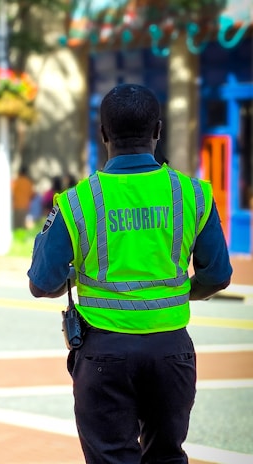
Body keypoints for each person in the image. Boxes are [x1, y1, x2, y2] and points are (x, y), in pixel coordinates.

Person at [28, 83, 232, 464]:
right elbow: (217, 275)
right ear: (158, 130)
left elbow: (41, 284)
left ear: (102, 134)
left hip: (104, 356)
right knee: (167, 457)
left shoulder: (77, 202)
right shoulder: (194, 194)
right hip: (172, 353)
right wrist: (178, 293)